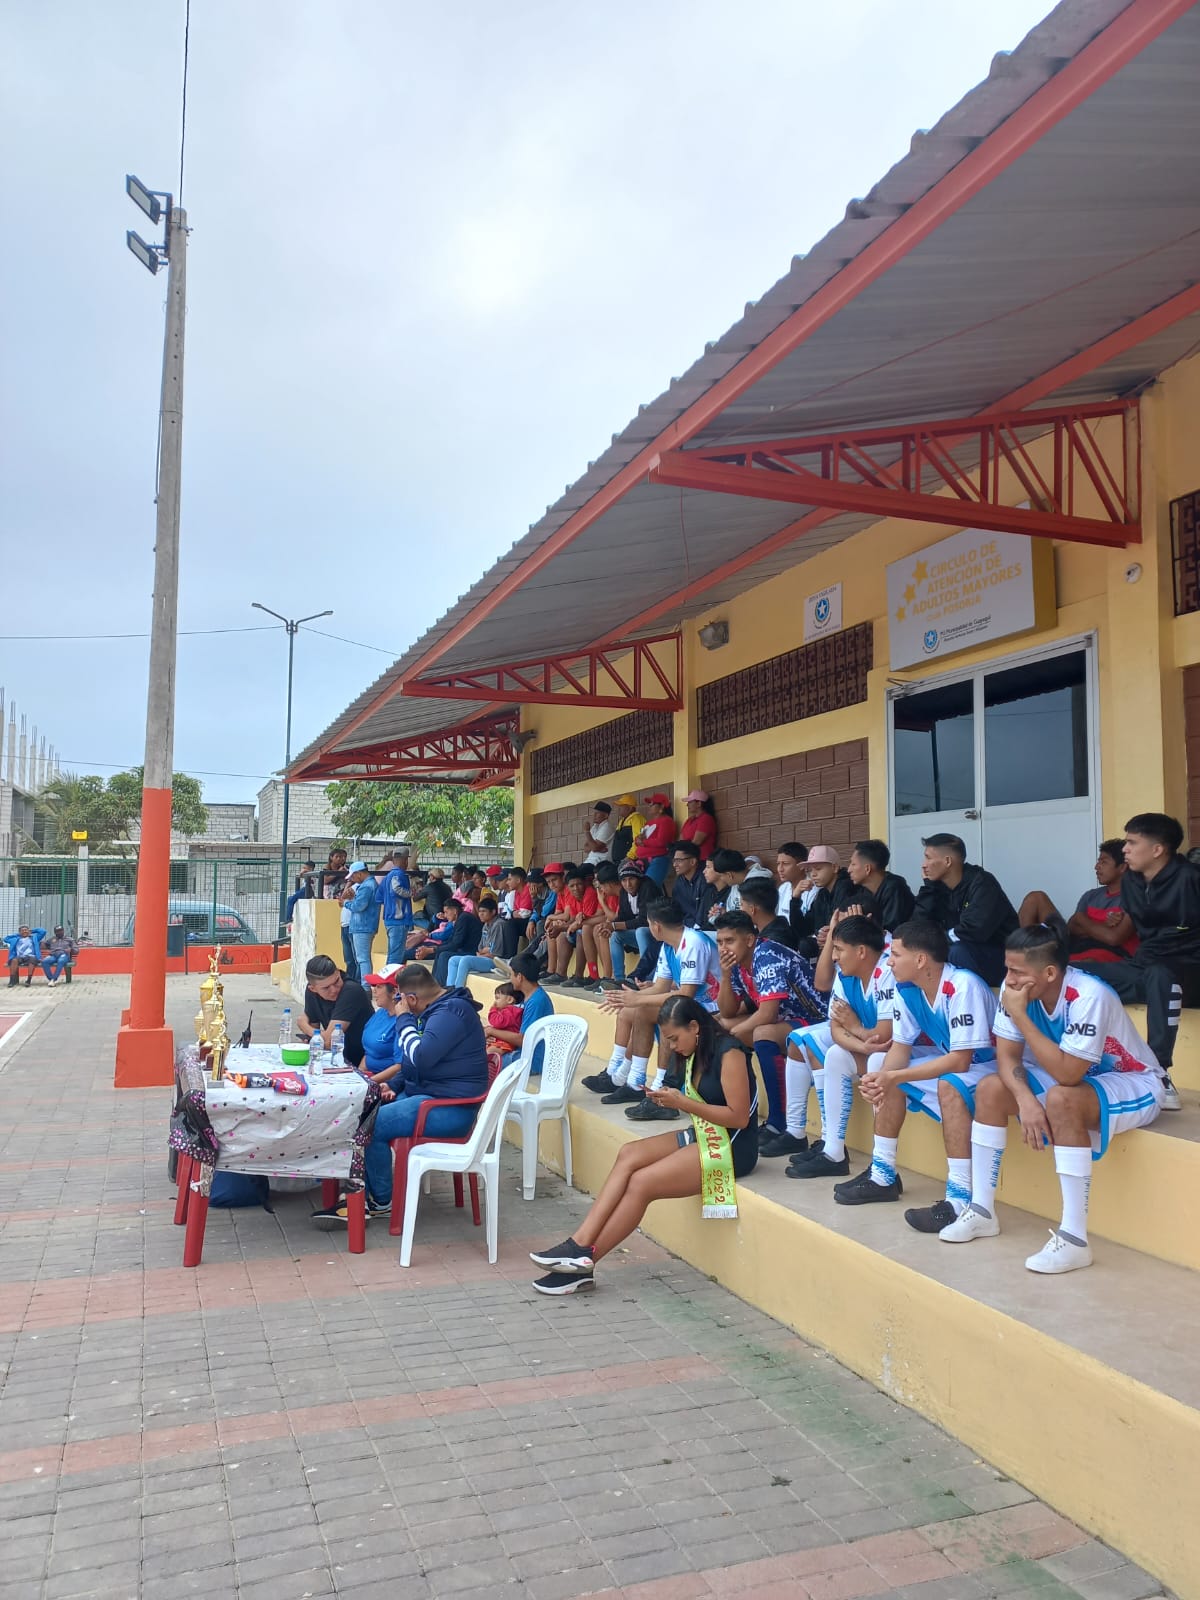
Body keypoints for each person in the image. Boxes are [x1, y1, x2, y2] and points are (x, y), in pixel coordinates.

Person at [938, 921, 1164, 1273]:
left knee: (1061, 1098)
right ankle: (982, 1211)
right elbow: (1007, 1057)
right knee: (991, 1089)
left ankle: (1074, 1240)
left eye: (1017, 972)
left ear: (1049, 973)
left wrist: (1019, 1015)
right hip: (1073, 1077)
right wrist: (1026, 1100)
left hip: (1131, 1080)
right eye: (1007, 969)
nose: (1009, 979)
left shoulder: (1088, 996)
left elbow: (1068, 1075)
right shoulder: (1015, 989)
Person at [529, 996, 758, 1295]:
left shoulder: (731, 1053)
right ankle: (578, 1244)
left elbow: (739, 1118)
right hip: (704, 1132)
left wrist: (683, 1103)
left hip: (732, 1147)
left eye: (674, 1039)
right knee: (629, 1153)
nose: (672, 1047)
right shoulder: (695, 1051)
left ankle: (585, 1264)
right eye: (668, 1040)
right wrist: (666, 1099)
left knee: (641, 1183)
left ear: (694, 1027)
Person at [834, 919, 997, 1232]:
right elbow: (900, 1048)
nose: (889, 962)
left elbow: (961, 1061)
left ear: (921, 960)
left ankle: (959, 1199)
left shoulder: (962, 985)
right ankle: (882, 1175)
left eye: (896, 954)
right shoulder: (906, 988)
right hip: (963, 1067)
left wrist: (893, 1077)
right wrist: (881, 1080)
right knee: (885, 1067)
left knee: (946, 1084)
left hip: (992, 1067)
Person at [316, 964, 488, 1224]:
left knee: (370, 1125)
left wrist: (403, 1018)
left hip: (449, 1108)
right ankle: (363, 1191)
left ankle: (380, 1201)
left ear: (411, 999)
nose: (399, 1005)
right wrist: (395, 1084)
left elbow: (420, 1056)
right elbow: (411, 1063)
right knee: (362, 1111)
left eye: (401, 1000)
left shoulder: (450, 1013)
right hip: (431, 1097)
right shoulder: (439, 1009)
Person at [1074, 813, 1200, 1111]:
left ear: (1157, 850)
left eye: (1132, 843)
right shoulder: (1132, 880)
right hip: (1147, 966)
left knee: (1161, 975)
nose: (1125, 849)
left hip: (1190, 970)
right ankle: (1078, 1060)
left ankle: (1159, 1073)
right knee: (1077, 973)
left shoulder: (1191, 879)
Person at [588, 899, 722, 1115]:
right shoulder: (668, 946)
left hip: (714, 1006)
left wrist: (637, 999)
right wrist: (626, 998)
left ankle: (661, 1092)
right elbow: (660, 987)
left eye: (649, 923)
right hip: (693, 1004)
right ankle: (635, 1083)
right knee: (639, 1009)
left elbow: (686, 994)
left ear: (656, 926)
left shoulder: (693, 943)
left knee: (660, 1012)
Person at [785, 915, 895, 1174]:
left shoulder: (886, 972)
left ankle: (883, 1170)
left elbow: (885, 1035)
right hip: (874, 1050)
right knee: (836, 1054)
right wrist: (863, 1045)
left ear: (861, 951)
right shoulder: (846, 976)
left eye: (838, 949)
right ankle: (833, 1152)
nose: (833, 957)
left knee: (875, 1059)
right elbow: (836, 1029)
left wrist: (856, 1029)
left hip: (907, 1052)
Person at [713, 910, 829, 1142]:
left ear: (749, 940)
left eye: (729, 941)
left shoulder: (766, 954)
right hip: (788, 1022)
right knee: (718, 1024)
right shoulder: (736, 962)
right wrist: (725, 976)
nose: (724, 948)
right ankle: (733, 1108)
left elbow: (767, 1014)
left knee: (762, 1033)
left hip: (818, 1019)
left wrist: (735, 1031)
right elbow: (727, 1011)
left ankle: (778, 1121)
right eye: (719, 942)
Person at [913, 833, 1018, 986]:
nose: (924, 865)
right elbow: (917, 928)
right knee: (914, 954)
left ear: (947, 861)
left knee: (957, 951)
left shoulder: (982, 882)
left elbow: (974, 929)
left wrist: (938, 942)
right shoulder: (937, 888)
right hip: (958, 952)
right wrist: (929, 889)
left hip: (1002, 958)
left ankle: (971, 997)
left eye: (928, 858)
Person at [1018, 841, 1137, 965]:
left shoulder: (1134, 897)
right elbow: (1072, 928)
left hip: (1110, 953)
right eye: (1098, 861)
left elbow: (1113, 938)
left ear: (1122, 867)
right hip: (1075, 945)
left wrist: (1081, 919)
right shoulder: (1090, 896)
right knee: (1035, 898)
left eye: (1104, 862)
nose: (1096, 867)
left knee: (1083, 964)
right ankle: (1025, 955)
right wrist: (1103, 926)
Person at [484, 950, 555, 1071]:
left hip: (530, 1060)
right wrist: (493, 1034)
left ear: (519, 977)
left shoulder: (536, 1001)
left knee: (478, 1060)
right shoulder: (524, 996)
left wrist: (492, 1031)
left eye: (512, 974)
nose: (510, 978)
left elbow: (523, 1040)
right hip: (519, 1052)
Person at [297, 954, 373, 1066]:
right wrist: (314, 1036)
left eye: (337, 981)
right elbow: (315, 1041)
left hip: (359, 1061)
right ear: (313, 989)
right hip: (335, 1059)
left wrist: (303, 1025)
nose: (334, 990)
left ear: (338, 972)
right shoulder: (311, 993)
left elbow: (329, 1042)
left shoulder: (351, 991)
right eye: (326, 988)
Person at [792, 845, 856, 953]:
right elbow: (803, 930)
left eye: (818, 868)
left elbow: (844, 930)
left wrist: (827, 936)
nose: (813, 874)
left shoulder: (847, 887)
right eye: (810, 870)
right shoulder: (823, 894)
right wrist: (795, 898)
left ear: (834, 868)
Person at [543, 868, 601, 986]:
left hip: (592, 929)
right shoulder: (570, 895)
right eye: (572, 886)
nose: (576, 888)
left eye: (579, 884)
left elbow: (585, 921)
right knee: (562, 934)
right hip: (583, 928)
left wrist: (562, 926)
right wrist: (562, 926)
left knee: (581, 932)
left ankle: (581, 976)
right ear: (568, 886)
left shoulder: (589, 893)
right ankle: (560, 974)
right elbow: (573, 919)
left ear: (584, 883)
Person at [600, 859, 652, 984]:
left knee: (641, 931)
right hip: (640, 936)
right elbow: (623, 916)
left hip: (657, 936)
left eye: (631, 879)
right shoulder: (624, 892)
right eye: (624, 880)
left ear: (638, 878)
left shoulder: (648, 887)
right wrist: (609, 927)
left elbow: (645, 921)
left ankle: (645, 978)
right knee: (615, 936)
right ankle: (619, 980)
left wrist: (614, 925)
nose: (628, 884)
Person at [847, 840, 915, 933]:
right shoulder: (863, 890)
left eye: (853, 864)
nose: (849, 870)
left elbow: (890, 930)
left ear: (867, 868)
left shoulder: (895, 888)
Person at [445, 897, 504, 987]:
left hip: (495, 962)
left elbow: (495, 953)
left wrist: (484, 953)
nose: (480, 914)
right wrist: (485, 950)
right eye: (479, 911)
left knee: (466, 960)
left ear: (493, 912)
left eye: (484, 911)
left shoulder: (498, 924)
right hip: (484, 958)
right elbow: (480, 948)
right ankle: (450, 989)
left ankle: (458, 991)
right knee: (453, 960)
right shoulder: (485, 925)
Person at [359, 964, 403, 1076]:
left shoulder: (403, 1020)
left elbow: (400, 1067)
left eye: (379, 987)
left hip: (387, 1082)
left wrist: (369, 1082)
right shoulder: (381, 1012)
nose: (374, 991)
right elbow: (368, 1053)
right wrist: (360, 1074)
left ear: (394, 992)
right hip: (369, 1076)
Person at [433, 890, 483, 986]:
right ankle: (435, 984)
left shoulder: (464, 918)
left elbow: (456, 943)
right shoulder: (460, 919)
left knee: (444, 955)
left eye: (446, 912)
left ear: (455, 911)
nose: (445, 915)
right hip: (464, 950)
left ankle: (441, 986)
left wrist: (433, 949)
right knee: (440, 952)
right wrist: (435, 948)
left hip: (472, 952)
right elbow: (451, 940)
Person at [344, 861, 381, 981]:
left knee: (363, 959)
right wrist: (353, 898)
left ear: (359, 874)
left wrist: (346, 902)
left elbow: (359, 906)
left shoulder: (366, 886)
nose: (352, 879)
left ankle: (365, 985)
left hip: (362, 926)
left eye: (353, 876)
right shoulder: (370, 884)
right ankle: (364, 983)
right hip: (365, 926)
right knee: (362, 958)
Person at [708, 848, 774, 915]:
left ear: (729, 875)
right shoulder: (736, 883)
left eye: (721, 876)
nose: (721, 879)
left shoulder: (758, 885)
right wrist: (724, 913)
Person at [378, 846, 414, 964]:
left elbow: (378, 897)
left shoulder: (387, 877)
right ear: (405, 860)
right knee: (396, 957)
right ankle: (391, 976)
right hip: (399, 919)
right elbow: (396, 889)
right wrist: (410, 893)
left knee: (392, 954)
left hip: (389, 919)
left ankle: (388, 975)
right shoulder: (399, 874)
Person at [738, 876, 796, 949]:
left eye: (741, 904)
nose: (740, 909)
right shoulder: (781, 928)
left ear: (752, 909)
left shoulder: (772, 943)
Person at [669, 840, 715, 930]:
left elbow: (704, 916)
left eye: (679, 860)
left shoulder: (705, 879)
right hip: (686, 928)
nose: (674, 865)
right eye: (674, 860)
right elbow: (677, 910)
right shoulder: (679, 882)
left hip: (705, 929)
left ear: (693, 861)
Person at [635, 793, 677, 886]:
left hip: (658, 859)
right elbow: (640, 838)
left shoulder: (666, 821)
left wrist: (643, 842)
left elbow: (662, 841)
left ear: (661, 806)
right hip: (643, 860)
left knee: (650, 886)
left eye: (652, 804)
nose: (649, 806)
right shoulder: (649, 823)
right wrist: (638, 840)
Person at [496, 866, 535, 959]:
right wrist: (514, 913)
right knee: (503, 922)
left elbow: (525, 914)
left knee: (511, 923)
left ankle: (510, 957)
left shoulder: (527, 889)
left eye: (510, 879)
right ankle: (499, 953)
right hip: (522, 921)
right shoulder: (516, 892)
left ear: (518, 880)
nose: (507, 882)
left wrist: (514, 914)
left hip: (531, 922)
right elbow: (513, 912)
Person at [775, 841, 809, 924]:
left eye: (785, 864)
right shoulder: (783, 888)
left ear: (801, 866)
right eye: (778, 864)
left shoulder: (813, 889)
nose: (780, 869)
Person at [680, 790, 718, 861]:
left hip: (702, 860)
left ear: (699, 803)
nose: (687, 805)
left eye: (690, 802)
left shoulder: (706, 818)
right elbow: (681, 841)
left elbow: (696, 842)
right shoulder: (689, 820)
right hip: (690, 860)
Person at [609, 795, 643, 865]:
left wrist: (630, 857)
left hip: (629, 861)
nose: (619, 808)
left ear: (630, 808)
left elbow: (638, 840)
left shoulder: (636, 818)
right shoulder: (622, 821)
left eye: (621, 806)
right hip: (618, 861)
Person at [583, 801, 616, 865]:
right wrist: (597, 849)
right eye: (594, 813)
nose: (594, 815)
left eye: (597, 813)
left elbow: (594, 848)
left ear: (606, 815)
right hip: (590, 861)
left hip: (601, 863)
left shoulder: (607, 827)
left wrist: (587, 831)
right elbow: (585, 848)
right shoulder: (594, 827)